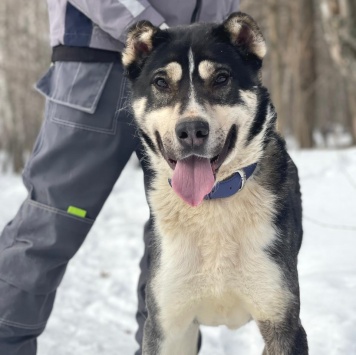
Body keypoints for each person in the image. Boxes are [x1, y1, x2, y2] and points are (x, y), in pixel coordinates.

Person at [0, 1, 240, 354]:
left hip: (194, 71)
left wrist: (217, 41)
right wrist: (155, 34)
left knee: (182, 237)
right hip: (101, 65)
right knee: (53, 223)